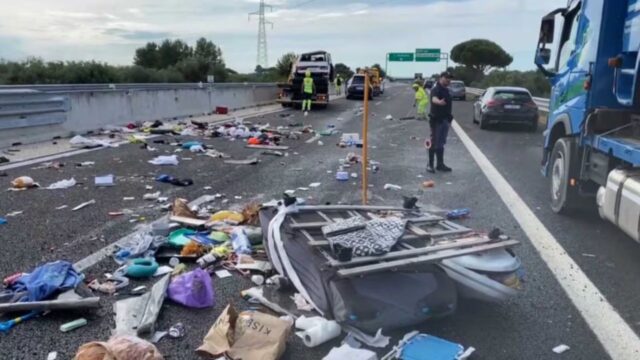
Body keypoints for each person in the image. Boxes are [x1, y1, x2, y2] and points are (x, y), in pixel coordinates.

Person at [427, 71, 454, 173]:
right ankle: (430, 164)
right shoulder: (436, 89)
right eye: (446, 78)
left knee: (441, 143)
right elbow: (434, 99)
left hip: (445, 120)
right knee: (434, 142)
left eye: (450, 78)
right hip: (436, 120)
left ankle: (440, 164)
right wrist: (439, 102)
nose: (448, 80)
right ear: (441, 78)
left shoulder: (446, 90)